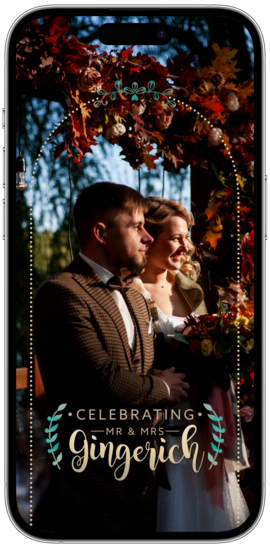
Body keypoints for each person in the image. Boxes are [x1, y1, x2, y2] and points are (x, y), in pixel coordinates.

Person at [33, 183, 189, 539]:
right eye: (137, 226)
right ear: (101, 232)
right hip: (93, 485)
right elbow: (101, 379)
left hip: (145, 481)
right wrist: (162, 388)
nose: (148, 238)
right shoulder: (61, 293)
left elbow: (141, 369)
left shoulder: (134, 297)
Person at [131, 196, 250, 532]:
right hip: (169, 425)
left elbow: (208, 350)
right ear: (149, 238)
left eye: (187, 238)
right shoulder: (133, 293)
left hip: (205, 419)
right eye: (175, 238)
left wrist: (228, 398)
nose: (185, 246)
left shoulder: (191, 290)